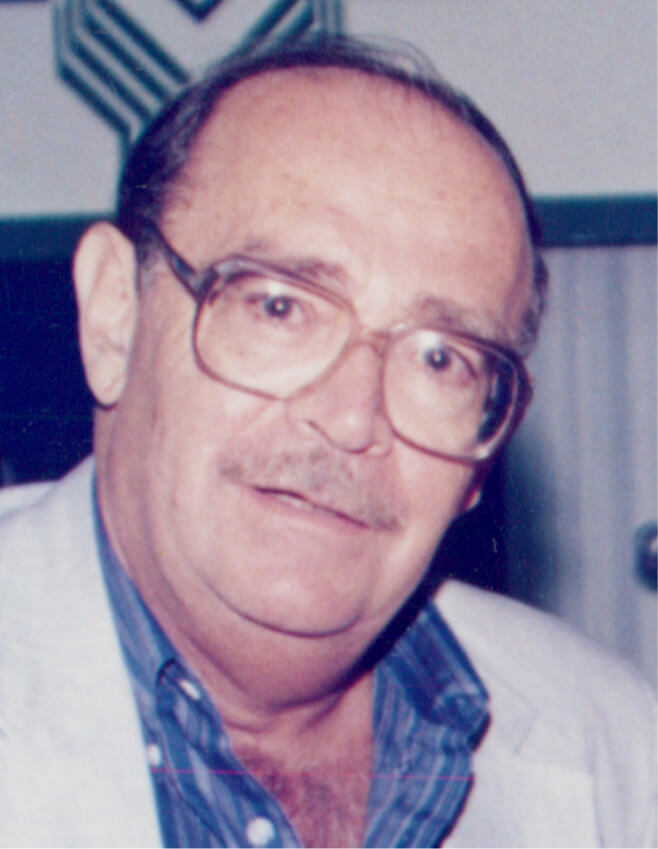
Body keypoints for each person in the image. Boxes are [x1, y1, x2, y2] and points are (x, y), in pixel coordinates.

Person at [0, 36, 654, 849]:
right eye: (279, 307)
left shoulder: (617, 750)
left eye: (440, 359)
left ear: (480, 463)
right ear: (113, 317)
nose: (351, 419)